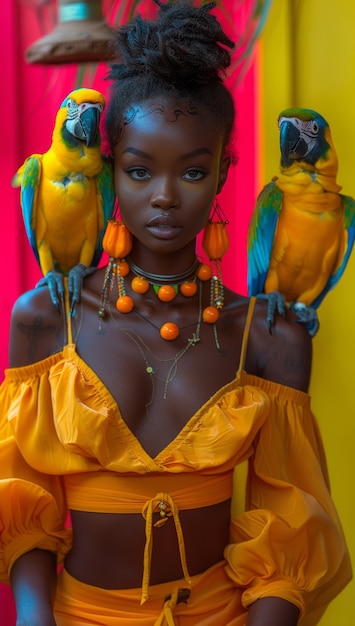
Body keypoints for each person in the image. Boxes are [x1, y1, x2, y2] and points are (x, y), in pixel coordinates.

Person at [0, 1, 351, 624]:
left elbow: (290, 529)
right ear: (111, 170)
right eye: (139, 171)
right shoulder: (46, 321)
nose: (164, 196)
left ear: (222, 175)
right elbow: (21, 499)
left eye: (193, 171)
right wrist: (34, 618)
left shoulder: (269, 337)